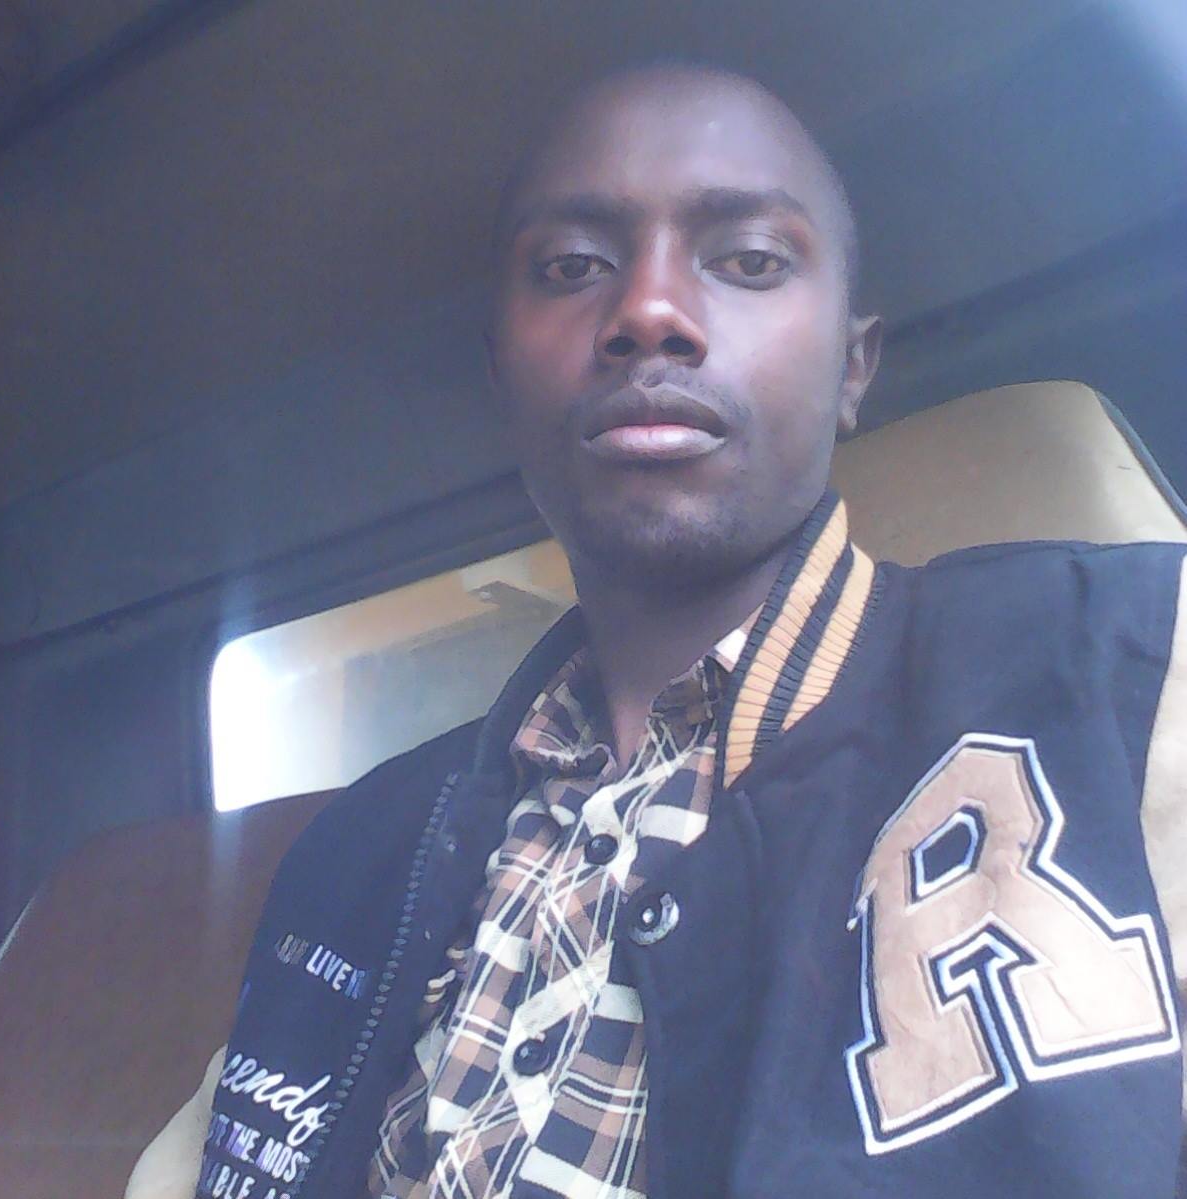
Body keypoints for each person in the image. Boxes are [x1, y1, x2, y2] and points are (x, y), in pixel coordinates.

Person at [126, 63, 1186, 1199]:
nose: (646, 312)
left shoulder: (1126, 663)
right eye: (572, 267)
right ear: (501, 372)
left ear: (852, 366)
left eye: (749, 260)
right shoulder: (354, 851)